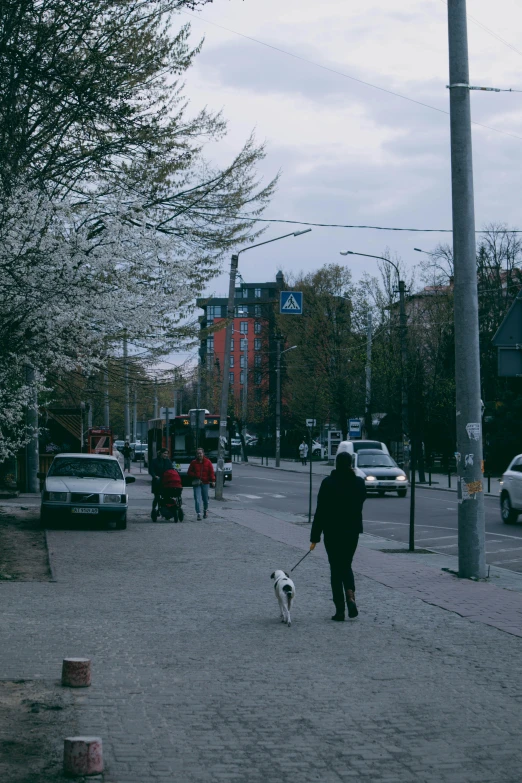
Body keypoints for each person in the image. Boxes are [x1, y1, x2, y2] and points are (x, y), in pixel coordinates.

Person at [310, 451, 366, 621]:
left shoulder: (328, 483)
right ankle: (350, 595)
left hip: (332, 532)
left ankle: (340, 610)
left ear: (336, 464)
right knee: (346, 564)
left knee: (335, 568)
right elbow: (361, 502)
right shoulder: (358, 483)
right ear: (350, 464)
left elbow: (320, 511)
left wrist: (315, 536)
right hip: (352, 532)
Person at [187, 447, 215, 520]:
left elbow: (211, 472)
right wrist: (195, 475)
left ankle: (205, 510)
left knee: (205, 499)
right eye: (198, 453)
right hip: (197, 483)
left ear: (203, 453)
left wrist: (213, 480)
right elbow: (189, 472)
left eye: (200, 453)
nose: (199, 454)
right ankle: (198, 513)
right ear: (196, 454)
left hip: (205, 483)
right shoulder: (193, 462)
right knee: (197, 498)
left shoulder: (208, 462)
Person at [150, 447, 173, 521]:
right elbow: (151, 470)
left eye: (167, 454)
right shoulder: (154, 461)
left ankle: (166, 511)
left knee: (166, 496)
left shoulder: (168, 461)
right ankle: (154, 509)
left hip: (166, 482)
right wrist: (155, 476)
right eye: (164, 453)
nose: (166, 455)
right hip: (157, 482)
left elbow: (171, 470)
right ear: (161, 454)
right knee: (157, 497)